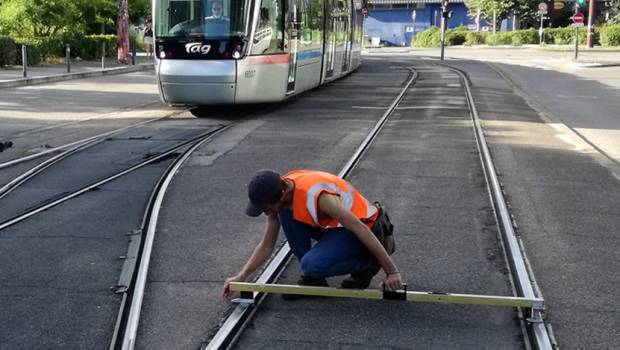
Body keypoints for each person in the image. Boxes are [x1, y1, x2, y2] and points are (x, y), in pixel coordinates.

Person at [222, 169, 401, 300]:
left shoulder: (319, 197)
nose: (265, 212)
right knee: (285, 213)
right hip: (335, 228)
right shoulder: (280, 191)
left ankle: (366, 265)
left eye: (266, 208)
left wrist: (392, 272)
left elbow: (359, 228)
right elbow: (267, 244)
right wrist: (242, 276)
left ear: (283, 194)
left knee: (311, 264)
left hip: (365, 227)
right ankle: (315, 280)